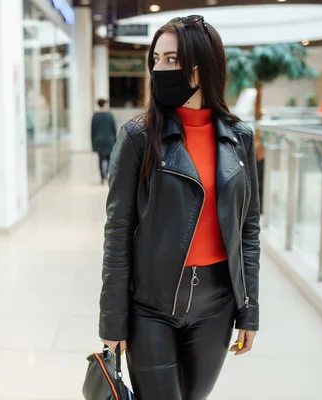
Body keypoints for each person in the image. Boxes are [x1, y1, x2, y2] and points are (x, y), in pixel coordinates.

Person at [98, 15, 261, 400]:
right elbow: (117, 232)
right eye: (156, 58)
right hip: (150, 307)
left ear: (201, 67)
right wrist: (112, 320)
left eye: (172, 59)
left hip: (217, 307)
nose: (159, 68)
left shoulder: (240, 139)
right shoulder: (138, 137)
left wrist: (249, 310)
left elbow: (248, 229)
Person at [91, 99, 117, 184]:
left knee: (100, 159)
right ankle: (106, 174)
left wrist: (93, 143)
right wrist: (115, 140)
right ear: (105, 105)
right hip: (109, 140)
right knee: (109, 158)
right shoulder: (110, 116)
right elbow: (114, 129)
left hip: (98, 140)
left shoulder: (95, 116)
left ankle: (102, 176)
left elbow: (93, 130)